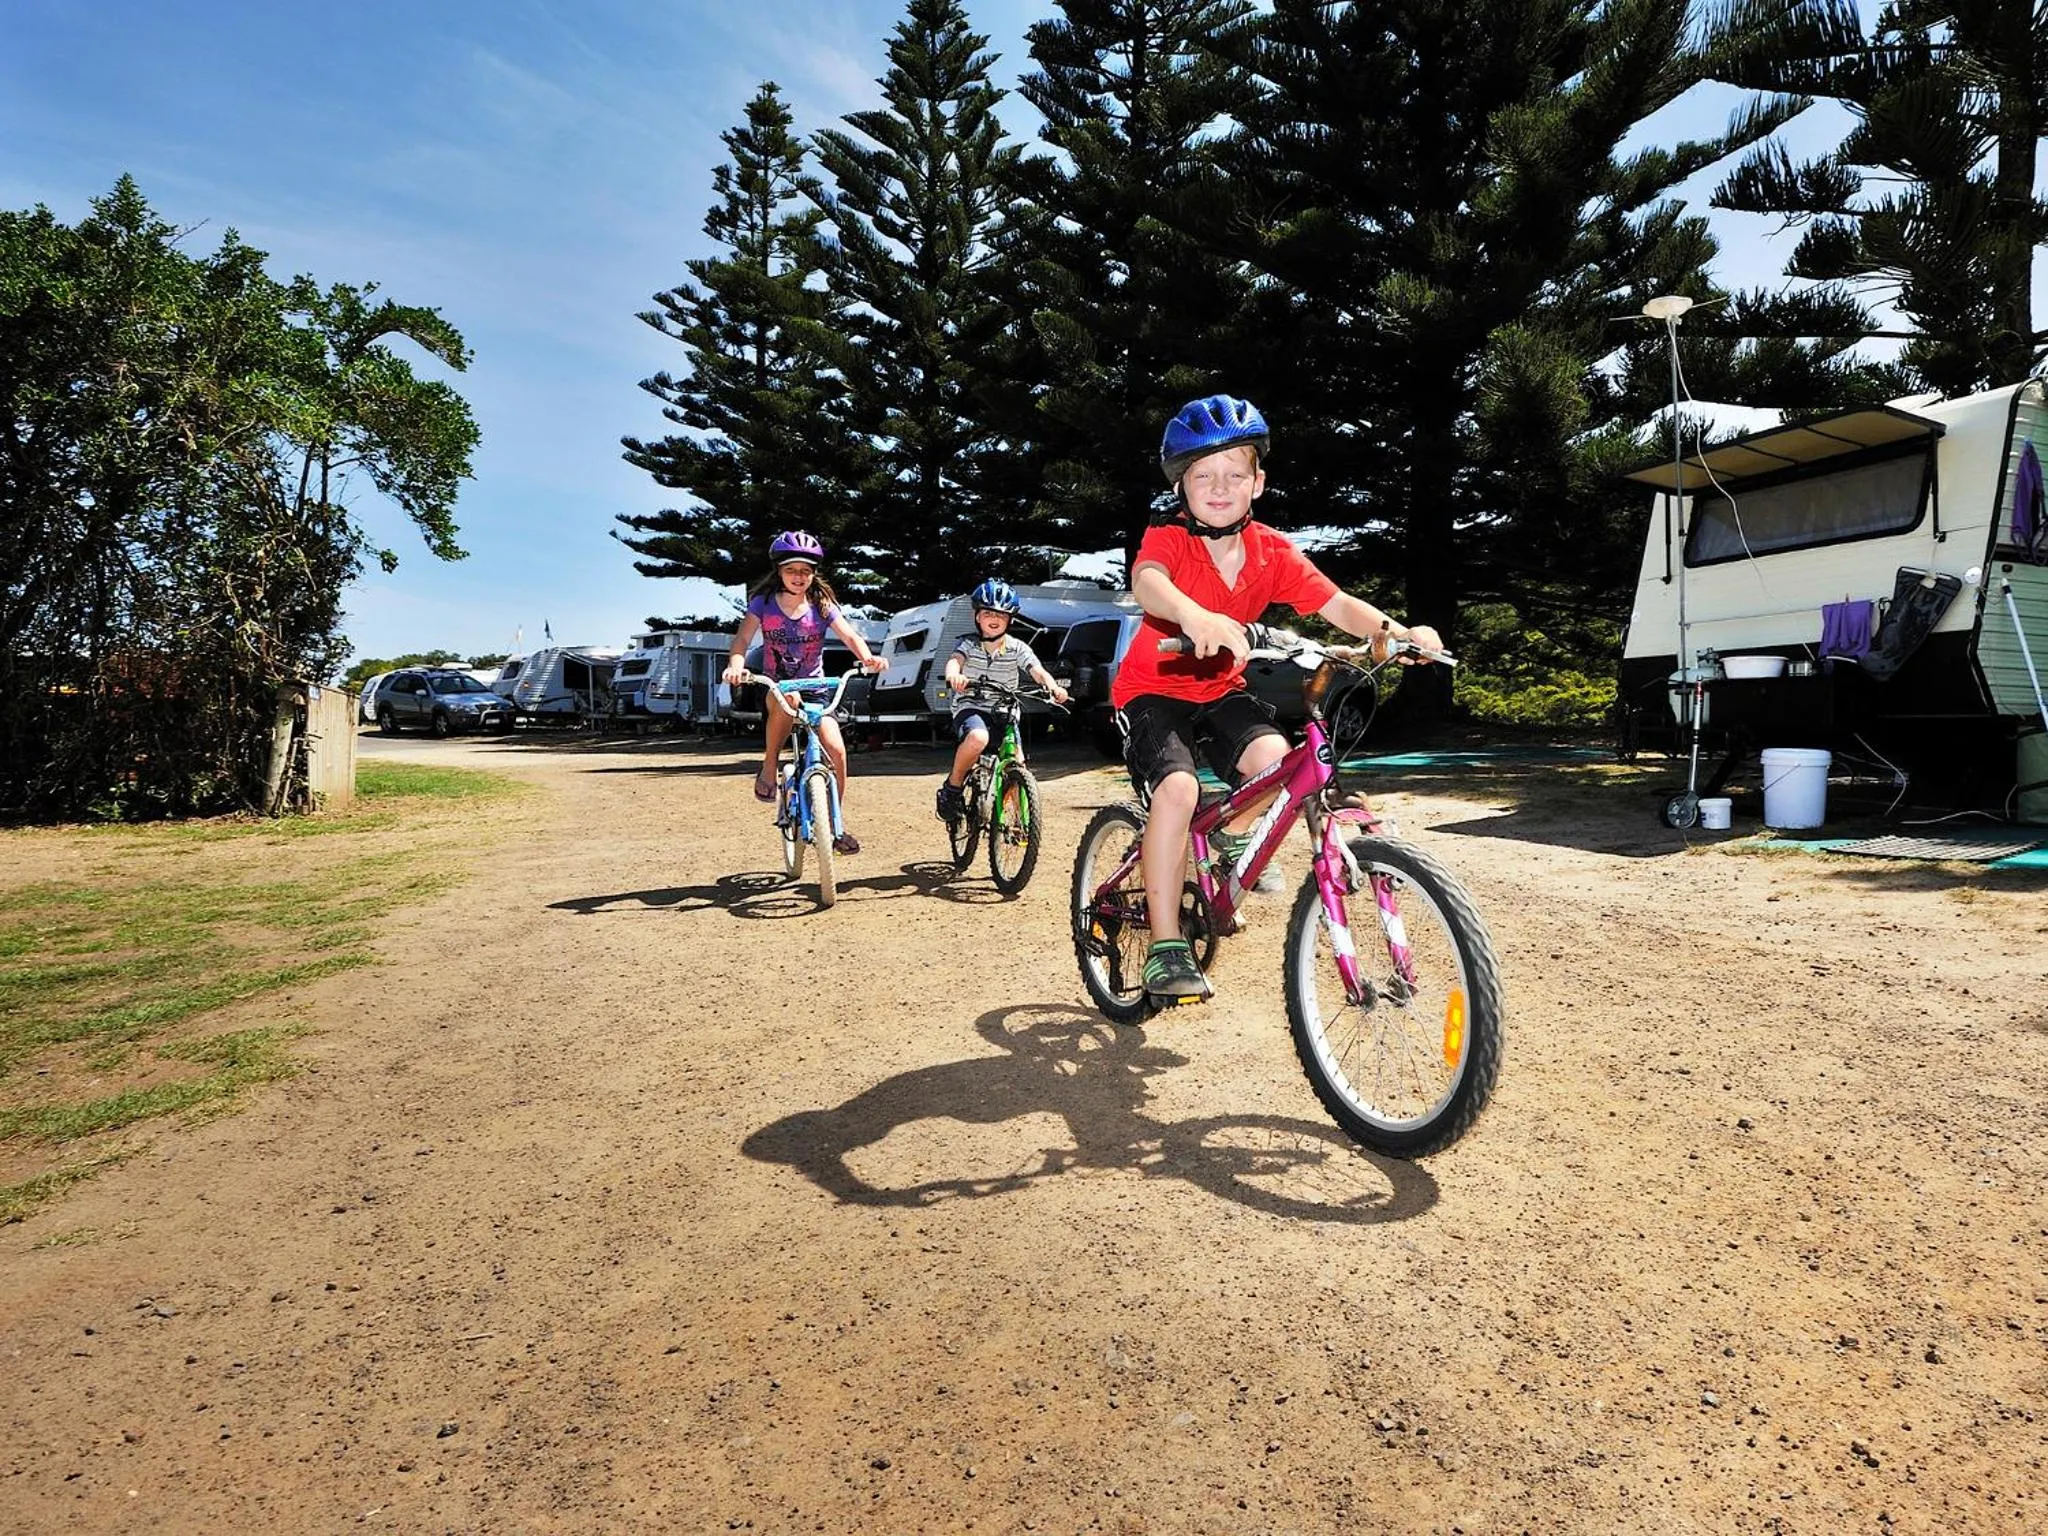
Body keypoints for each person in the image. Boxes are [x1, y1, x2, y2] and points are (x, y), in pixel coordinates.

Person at [1113, 394, 1442, 1006]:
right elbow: (1148, 584)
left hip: (1220, 689)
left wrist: (1395, 632)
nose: (1219, 486)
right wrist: (1195, 613)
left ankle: (1232, 843)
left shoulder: (1271, 550)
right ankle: (1164, 945)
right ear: (1180, 485)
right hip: (1153, 691)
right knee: (1179, 791)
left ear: (1258, 482)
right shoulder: (1169, 539)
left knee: (1276, 761)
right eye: (1202, 475)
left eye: (1235, 473)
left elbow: (1336, 604)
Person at [722, 531, 885, 854]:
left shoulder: (822, 605)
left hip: (816, 689)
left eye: (806, 570)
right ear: (779, 571)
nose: (799, 577)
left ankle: (835, 826)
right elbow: (742, 640)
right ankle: (769, 764)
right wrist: (736, 665)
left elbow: (850, 635)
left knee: (837, 750)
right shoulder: (764, 603)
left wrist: (866, 657)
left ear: (814, 573)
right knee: (788, 700)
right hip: (776, 686)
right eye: (792, 569)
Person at [937, 579, 1071, 821]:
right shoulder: (968, 643)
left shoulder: (1018, 648)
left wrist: (1052, 688)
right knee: (978, 738)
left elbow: (1037, 670)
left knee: (1017, 762)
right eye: (988, 612)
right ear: (977, 616)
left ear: (1010, 619)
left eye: (1002, 613)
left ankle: (1018, 822)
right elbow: (955, 660)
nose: (994, 618)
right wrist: (953, 675)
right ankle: (952, 788)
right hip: (972, 706)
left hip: (1004, 709)